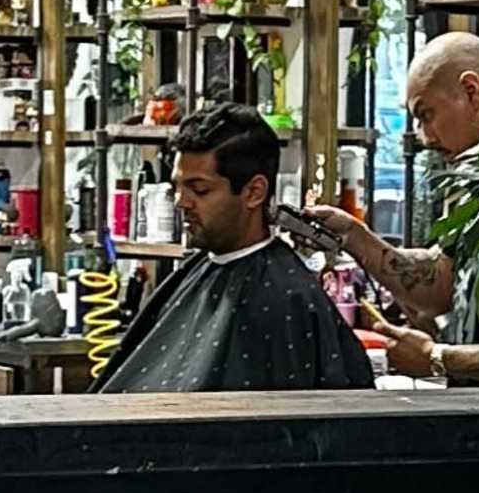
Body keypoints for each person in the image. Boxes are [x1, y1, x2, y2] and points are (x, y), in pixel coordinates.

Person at [292, 31, 479, 384]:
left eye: (426, 114)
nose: (424, 137)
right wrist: (353, 236)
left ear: (472, 91)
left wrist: (437, 359)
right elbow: (440, 283)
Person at [94, 108, 373, 394]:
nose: (181, 203)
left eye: (199, 190)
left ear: (254, 192)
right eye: (177, 187)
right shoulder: (195, 272)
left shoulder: (289, 298)